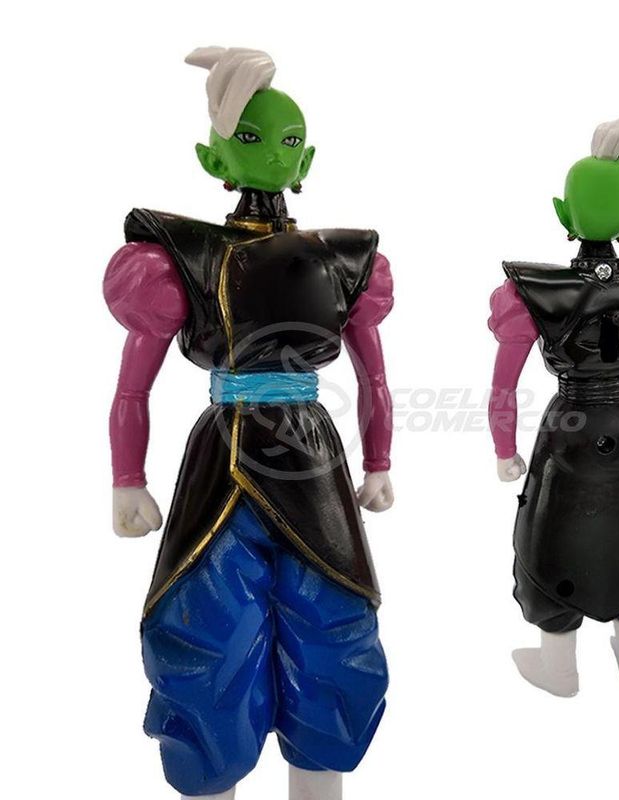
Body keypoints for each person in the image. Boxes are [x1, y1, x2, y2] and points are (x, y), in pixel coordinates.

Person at [105, 47, 394, 800]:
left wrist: (379, 463)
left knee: (332, 622)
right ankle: (213, 779)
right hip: (224, 452)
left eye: (289, 140)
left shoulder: (345, 261)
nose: (273, 153)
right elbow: (133, 386)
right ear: (214, 157)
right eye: (252, 137)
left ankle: (317, 784)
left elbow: (374, 376)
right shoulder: (181, 257)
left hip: (310, 454)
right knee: (204, 628)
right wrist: (127, 479)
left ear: (309, 158)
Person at [488, 113, 619, 697]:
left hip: (568, 426)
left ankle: (559, 668)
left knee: (552, 532)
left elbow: (503, 387)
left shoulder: (532, 293)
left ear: (563, 214)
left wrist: (504, 450)